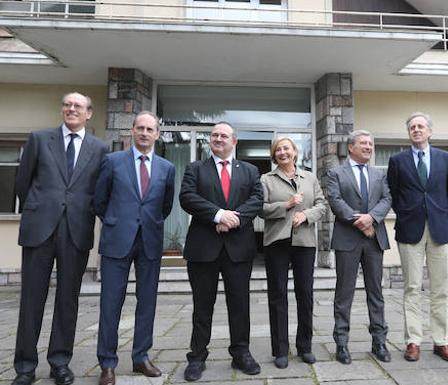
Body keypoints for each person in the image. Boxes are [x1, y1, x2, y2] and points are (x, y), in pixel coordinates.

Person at [12, 92, 107, 385]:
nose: (71, 109)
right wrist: (42, 209)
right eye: (67, 105)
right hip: (39, 229)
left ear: (89, 113)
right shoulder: (39, 139)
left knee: (68, 301)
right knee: (31, 299)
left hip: (75, 232)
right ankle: (25, 366)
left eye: (78, 106)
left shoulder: (99, 148)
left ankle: (60, 362)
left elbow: (98, 192)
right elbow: (22, 183)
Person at [94, 111, 176, 385]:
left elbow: (165, 206)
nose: (144, 133)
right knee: (110, 303)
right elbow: (99, 200)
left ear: (157, 134)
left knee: (147, 303)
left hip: (149, 242)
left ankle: (141, 357)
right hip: (117, 241)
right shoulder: (112, 161)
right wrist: (118, 222)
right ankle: (107, 364)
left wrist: (145, 224)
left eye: (149, 129)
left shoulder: (167, 167)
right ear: (132, 131)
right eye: (139, 128)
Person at [179, 122, 263, 380]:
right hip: (203, 249)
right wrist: (218, 215)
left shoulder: (249, 170)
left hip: (238, 248)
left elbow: (257, 199)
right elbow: (187, 197)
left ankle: (241, 353)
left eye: (223, 135)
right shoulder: (195, 168)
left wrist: (234, 219)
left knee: (239, 304)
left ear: (234, 141)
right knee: (202, 306)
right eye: (214, 135)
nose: (218, 138)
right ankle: (197, 356)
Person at [387, 112, 448, 363]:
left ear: (429, 131)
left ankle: (442, 341)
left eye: (421, 126)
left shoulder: (445, 158)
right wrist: (408, 212)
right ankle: (413, 341)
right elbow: (394, 194)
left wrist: (438, 211)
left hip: (439, 228)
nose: (416, 130)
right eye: (412, 127)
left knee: (441, 288)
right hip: (410, 229)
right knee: (412, 287)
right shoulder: (397, 160)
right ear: (409, 132)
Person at [260, 137, 327, 369]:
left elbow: (322, 205)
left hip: (304, 243)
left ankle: (305, 346)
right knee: (278, 295)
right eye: (278, 149)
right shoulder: (266, 179)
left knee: (305, 295)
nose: (282, 152)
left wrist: (305, 215)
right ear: (274, 155)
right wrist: (287, 205)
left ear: (295, 152)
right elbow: (260, 209)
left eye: (286, 148)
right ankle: (280, 350)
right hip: (277, 242)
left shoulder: (309, 177)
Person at [326, 130, 392, 364]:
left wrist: (371, 218)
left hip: (375, 238)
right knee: (344, 293)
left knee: (376, 292)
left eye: (371, 144)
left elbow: (387, 199)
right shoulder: (336, 173)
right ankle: (342, 343)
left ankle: (379, 342)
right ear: (351, 147)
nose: (368, 147)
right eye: (363, 143)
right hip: (347, 239)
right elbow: (335, 200)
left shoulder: (378, 174)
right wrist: (360, 222)